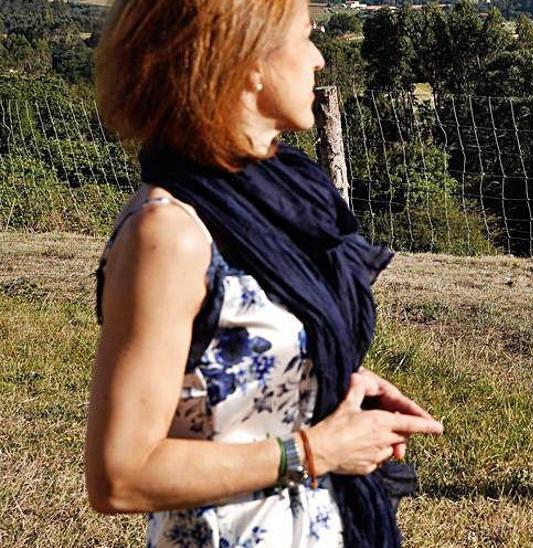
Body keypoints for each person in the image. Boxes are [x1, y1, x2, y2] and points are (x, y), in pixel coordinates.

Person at [83, 0, 444, 546]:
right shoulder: (170, 235)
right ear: (248, 59)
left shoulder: (277, 197)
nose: (319, 59)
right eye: (306, 37)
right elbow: (120, 475)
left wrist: (316, 384)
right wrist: (317, 450)